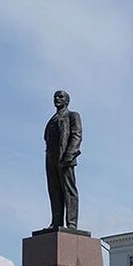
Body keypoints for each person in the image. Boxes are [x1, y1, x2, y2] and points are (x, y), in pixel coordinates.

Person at [44, 89, 83, 229]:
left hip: (65, 158)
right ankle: (56, 221)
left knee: (69, 190)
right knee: (54, 191)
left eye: (60, 96)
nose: (57, 98)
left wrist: (69, 155)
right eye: (55, 96)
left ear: (67, 100)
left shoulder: (72, 116)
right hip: (51, 158)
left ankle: (71, 223)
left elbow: (76, 135)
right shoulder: (52, 120)